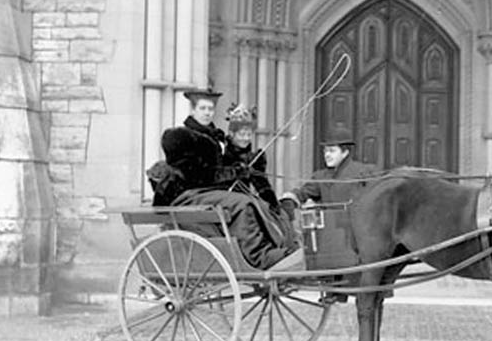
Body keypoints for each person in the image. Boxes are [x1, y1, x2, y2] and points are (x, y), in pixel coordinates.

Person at [147, 86, 302, 271]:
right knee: (243, 204)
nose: (207, 113)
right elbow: (196, 175)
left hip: (209, 192)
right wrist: (234, 172)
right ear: (193, 110)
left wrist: (246, 164)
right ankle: (258, 256)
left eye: (211, 109)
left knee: (260, 203)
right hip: (187, 193)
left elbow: (227, 163)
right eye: (203, 108)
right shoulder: (180, 137)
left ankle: (278, 248)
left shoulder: (216, 137)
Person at [279, 127, 380, 302]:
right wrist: (291, 198)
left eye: (332, 151)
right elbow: (303, 192)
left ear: (346, 152)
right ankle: (334, 289)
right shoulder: (321, 176)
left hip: (358, 235)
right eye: (325, 151)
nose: (327, 155)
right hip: (332, 238)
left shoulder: (364, 173)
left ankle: (344, 289)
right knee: (327, 238)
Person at [221, 103, 279, 210]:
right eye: (242, 135)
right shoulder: (221, 153)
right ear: (231, 133)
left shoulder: (254, 158)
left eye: (249, 135)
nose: (246, 139)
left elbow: (262, 185)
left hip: (244, 205)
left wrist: (273, 204)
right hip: (223, 202)